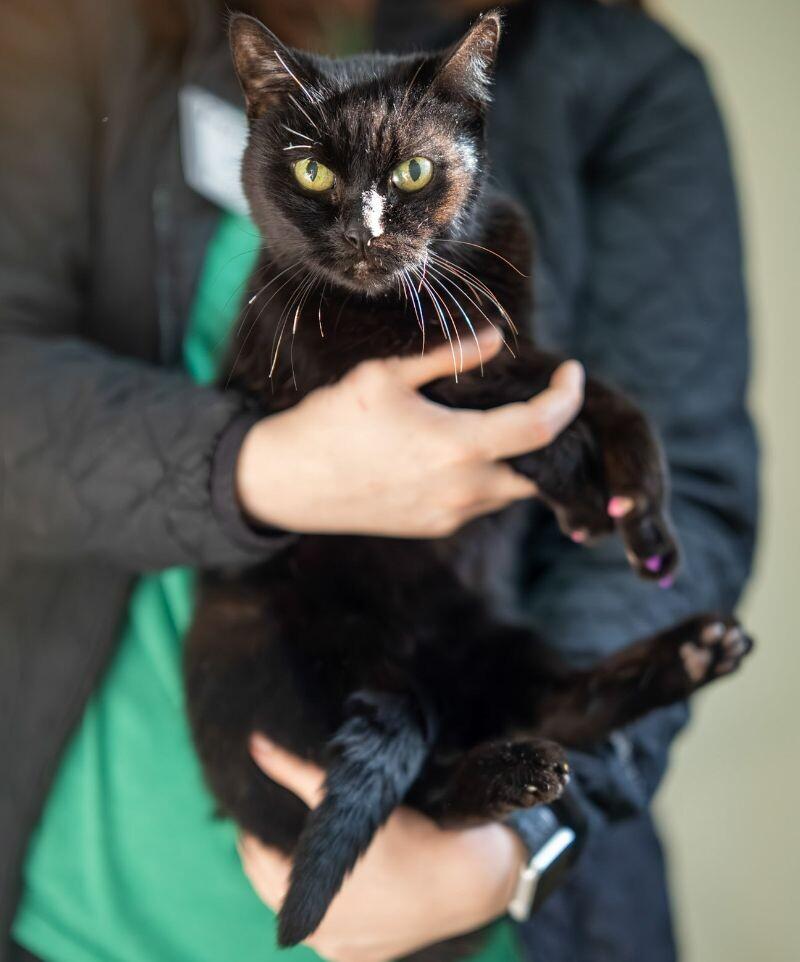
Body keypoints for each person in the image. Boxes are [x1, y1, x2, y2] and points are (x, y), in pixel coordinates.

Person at [0, 1, 757, 961]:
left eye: (411, 177)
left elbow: (683, 480)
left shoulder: (625, 79)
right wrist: (258, 470)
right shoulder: (75, 24)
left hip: (483, 878)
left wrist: (503, 855)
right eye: (314, 175)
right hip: (95, 903)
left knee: (502, 700)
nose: (361, 229)